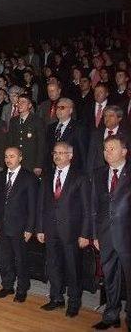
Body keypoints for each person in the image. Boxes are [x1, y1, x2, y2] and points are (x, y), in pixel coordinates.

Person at [36, 142, 91, 317]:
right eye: (55, 153)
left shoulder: (80, 177)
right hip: (51, 230)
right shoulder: (48, 174)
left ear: (70, 155)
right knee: (53, 265)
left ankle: (74, 303)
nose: (57, 156)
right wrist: (40, 228)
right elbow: (41, 204)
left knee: (73, 269)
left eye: (62, 153)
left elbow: (87, 208)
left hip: (72, 232)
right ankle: (56, 298)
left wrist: (85, 233)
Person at [92, 135, 131, 330]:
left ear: (124, 151)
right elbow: (94, 207)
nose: (107, 152)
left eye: (112, 148)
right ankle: (111, 315)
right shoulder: (99, 173)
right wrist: (95, 234)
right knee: (110, 278)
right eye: (105, 148)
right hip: (106, 236)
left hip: (127, 237)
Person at [0, 147, 38, 303]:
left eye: (12, 156)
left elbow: (33, 206)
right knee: (5, 258)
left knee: (20, 259)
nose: (8, 159)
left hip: (20, 226)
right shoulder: (0, 176)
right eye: (6, 156)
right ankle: (7, 286)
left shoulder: (29, 178)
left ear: (20, 158)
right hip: (2, 225)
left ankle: (22, 289)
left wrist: (30, 228)